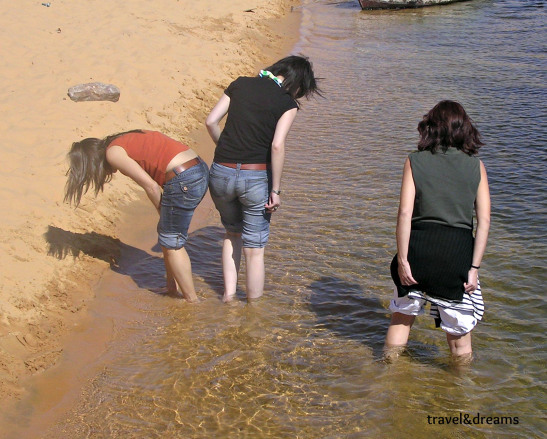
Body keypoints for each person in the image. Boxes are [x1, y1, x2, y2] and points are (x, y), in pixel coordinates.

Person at [205, 55, 321, 302]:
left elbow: (211, 121)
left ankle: (228, 296)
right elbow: (277, 146)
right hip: (255, 177)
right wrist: (276, 191)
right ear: (297, 83)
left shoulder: (240, 84)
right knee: (255, 249)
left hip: (220, 171)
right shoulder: (287, 104)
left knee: (232, 234)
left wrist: (225, 150)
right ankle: (254, 312)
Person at [384, 100, 491, 361]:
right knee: (459, 337)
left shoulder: (414, 161)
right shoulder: (475, 166)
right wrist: (474, 269)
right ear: (464, 129)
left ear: (430, 127)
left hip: (418, 251)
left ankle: (388, 376)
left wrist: (403, 260)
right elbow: (485, 221)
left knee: (401, 319)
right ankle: (458, 394)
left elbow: (405, 214)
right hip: (456, 256)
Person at [64, 129, 209, 302]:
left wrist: (161, 211)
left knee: (173, 242)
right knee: (167, 234)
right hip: (197, 169)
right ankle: (172, 287)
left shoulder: (113, 153)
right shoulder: (120, 140)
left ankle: (192, 301)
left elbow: (152, 187)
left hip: (183, 178)